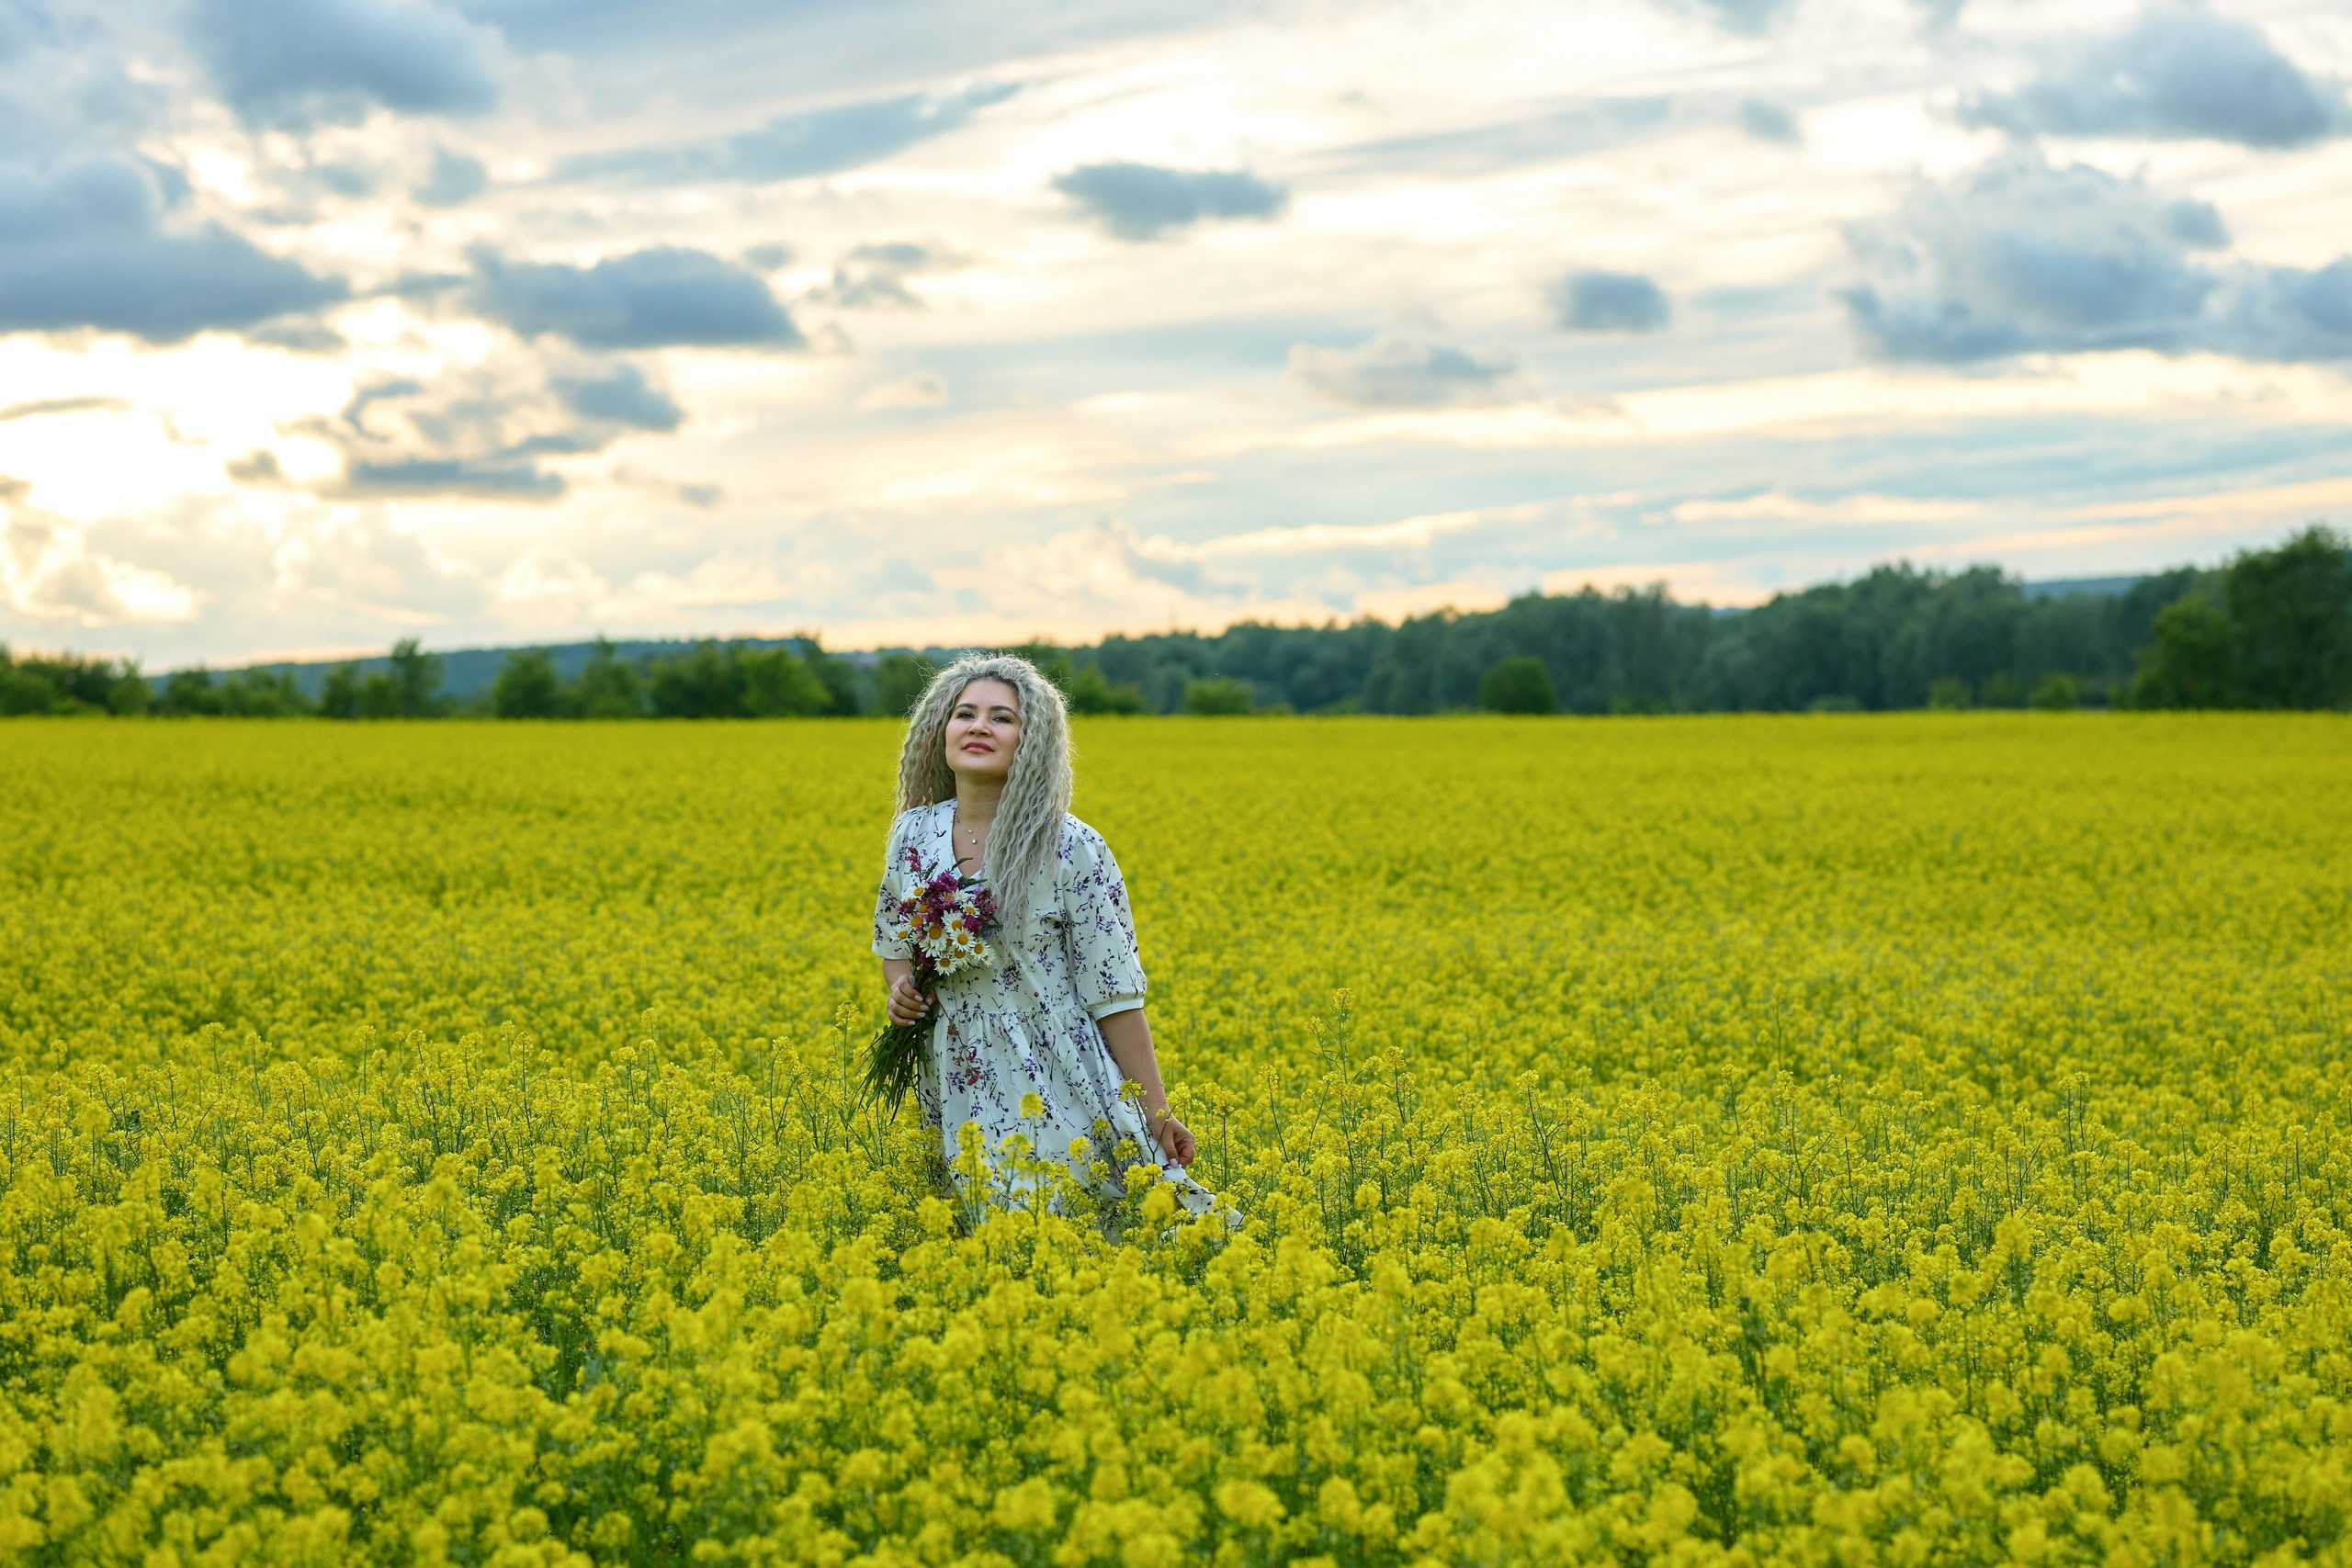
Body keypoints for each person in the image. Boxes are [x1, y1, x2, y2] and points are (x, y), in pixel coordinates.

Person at [873, 652, 1219, 1215]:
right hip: (954, 1069)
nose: (980, 726)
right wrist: (902, 990)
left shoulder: (1072, 847)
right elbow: (894, 945)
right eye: (965, 713)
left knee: (1073, 1222)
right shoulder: (914, 832)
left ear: (1030, 742)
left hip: (1053, 1066)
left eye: (1002, 717)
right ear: (941, 731)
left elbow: (1115, 997)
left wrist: (1155, 1112)